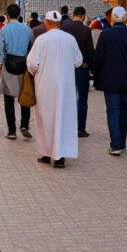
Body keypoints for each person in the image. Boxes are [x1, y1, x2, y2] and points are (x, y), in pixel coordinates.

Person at [27, 10, 83, 168]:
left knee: (45, 119)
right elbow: (78, 61)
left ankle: (46, 153)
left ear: (46, 23)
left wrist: (36, 73)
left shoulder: (41, 40)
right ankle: (59, 157)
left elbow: (31, 64)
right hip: (66, 87)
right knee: (63, 119)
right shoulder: (70, 39)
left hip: (45, 86)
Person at [93, 6, 127, 155]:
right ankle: (122, 142)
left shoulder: (105, 36)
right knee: (124, 111)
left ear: (112, 18)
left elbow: (98, 59)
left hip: (110, 81)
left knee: (113, 112)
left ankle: (115, 145)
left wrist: (97, 77)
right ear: (126, 18)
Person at [0, 3, 33, 139]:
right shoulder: (27, 30)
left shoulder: (4, 30)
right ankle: (24, 125)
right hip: (24, 66)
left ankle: (12, 131)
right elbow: (32, 48)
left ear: (7, 14)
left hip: (8, 66)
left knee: (8, 99)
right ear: (19, 14)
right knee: (25, 97)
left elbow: (0, 50)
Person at [62, 6, 95, 138]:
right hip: (82, 69)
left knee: (67, 99)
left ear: (73, 14)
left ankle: (67, 126)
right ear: (83, 16)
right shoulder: (86, 30)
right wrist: (92, 68)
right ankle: (80, 128)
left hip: (66, 69)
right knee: (82, 99)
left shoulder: (64, 29)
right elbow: (90, 51)